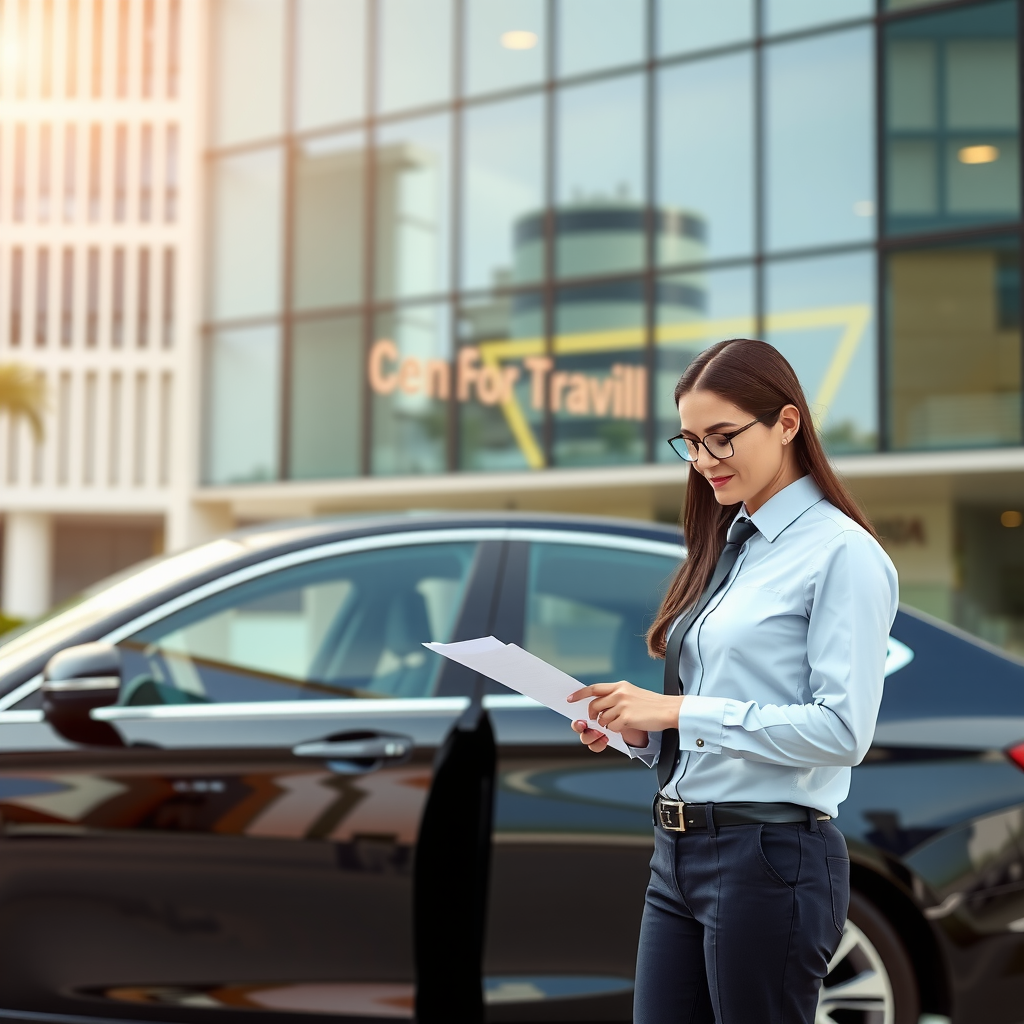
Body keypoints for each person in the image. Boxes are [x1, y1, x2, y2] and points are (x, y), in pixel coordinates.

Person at [567, 338, 898, 1024]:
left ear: (786, 423)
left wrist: (679, 711)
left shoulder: (843, 554)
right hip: (678, 854)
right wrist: (642, 731)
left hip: (769, 862)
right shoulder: (729, 543)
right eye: (689, 441)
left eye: (722, 438)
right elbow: (715, 710)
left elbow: (842, 731)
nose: (704, 461)